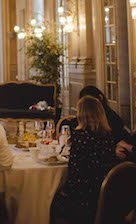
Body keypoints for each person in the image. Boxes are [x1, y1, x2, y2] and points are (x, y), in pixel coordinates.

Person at [51, 96, 116, 224]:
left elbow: (75, 174)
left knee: (50, 198)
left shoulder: (80, 137)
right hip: (106, 195)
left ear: (81, 114)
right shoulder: (109, 135)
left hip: (83, 200)